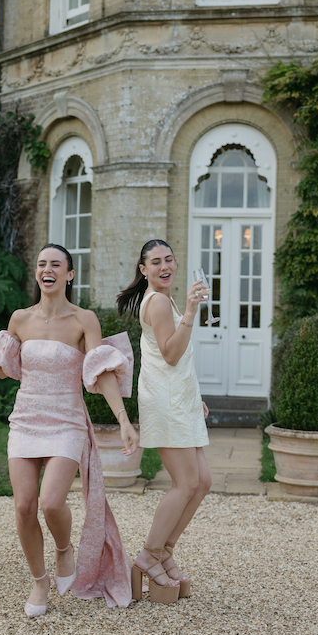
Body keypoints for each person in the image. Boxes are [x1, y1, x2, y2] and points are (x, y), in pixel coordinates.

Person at [0, 244, 139, 617]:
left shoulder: (84, 320)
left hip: (66, 420)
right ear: (37, 273)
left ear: (69, 274)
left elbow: (100, 372)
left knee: (50, 503)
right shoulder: (20, 318)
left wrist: (124, 420)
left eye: (55, 264)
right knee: (23, 506)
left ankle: (64, 549)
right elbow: (4, 369)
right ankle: (39, 580)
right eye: (41, 264)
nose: (46, 269)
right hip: (26, 418)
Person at [117, 239, 211, 604]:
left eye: (169, 259)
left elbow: (174, 358)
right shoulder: (157, 301)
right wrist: (190, 311)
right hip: (165, 402)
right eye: (155, 262)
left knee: (202, 482)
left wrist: (194, 396)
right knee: (185, 483)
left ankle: (165, 552)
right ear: (144, 270)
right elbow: (171, 354)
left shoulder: (163, 299)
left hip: (180, 398)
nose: (164, 266)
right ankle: (149, 555)